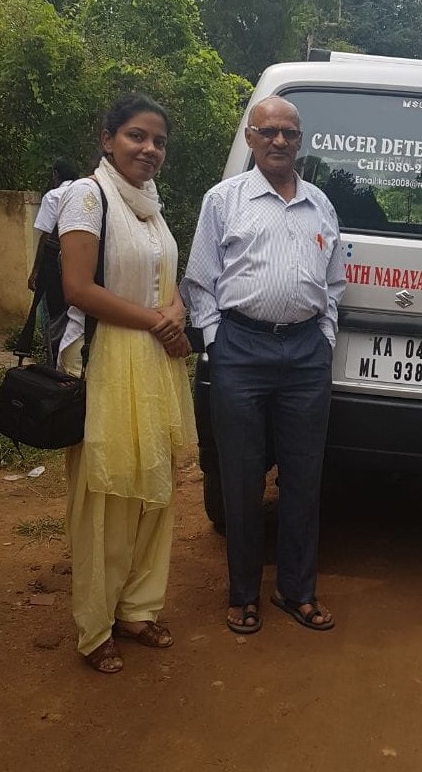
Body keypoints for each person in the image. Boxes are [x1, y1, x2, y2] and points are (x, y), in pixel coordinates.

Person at [181, 96, 345, 634]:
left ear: (301, 141)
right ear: (250, 139)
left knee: (304, 477)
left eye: (289, 133)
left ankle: (296, 592)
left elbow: (334, 282)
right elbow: (200, 280)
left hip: (304, 355)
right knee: (242, 476)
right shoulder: (223, 200)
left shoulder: (321, 203)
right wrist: (216, 341)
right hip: (240, 351)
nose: (279, 141)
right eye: (267, 131)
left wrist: (323, 335)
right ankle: (244, 594)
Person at [57, 93, 196, 674]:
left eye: (158, 141)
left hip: (155, 364)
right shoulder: (87, 197)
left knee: (154, 494)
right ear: (107, 138)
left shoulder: (152, 207)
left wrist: (178, 314)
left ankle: (137, 607)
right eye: (137, 136)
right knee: (107, 496)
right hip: (108, 362)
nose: (150, 149)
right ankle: (95, 626)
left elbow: (167, 281)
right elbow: (79, 289)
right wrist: (159, 323)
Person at [28, 157, 79, 363]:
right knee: (75, 316)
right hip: (82, 266)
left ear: (56, 174)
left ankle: (53, 367)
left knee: (52, 318)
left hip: (54, 266)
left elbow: (46, 237)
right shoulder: (87, 193)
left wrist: (35, 272)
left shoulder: (54, 196)